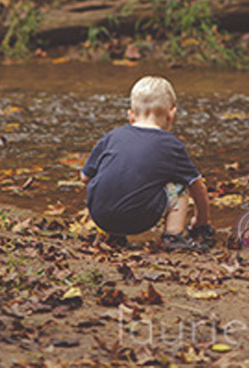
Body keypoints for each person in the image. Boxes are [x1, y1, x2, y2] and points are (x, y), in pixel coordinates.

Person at [80, 74, 214, 250]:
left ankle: (113, 235)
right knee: (181, 183)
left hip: (101, 216)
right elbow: (198, 188)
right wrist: (201, 221)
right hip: (139, 220)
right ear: (171, 114)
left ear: (131, 116)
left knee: (115, 176)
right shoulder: (171, 145)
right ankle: (173, 236)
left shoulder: (112, 136)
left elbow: (85, 177)